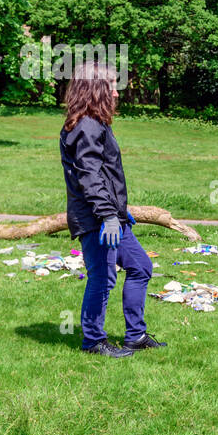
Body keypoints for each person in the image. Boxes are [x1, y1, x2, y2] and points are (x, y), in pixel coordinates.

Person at [59, 62, 163, 358]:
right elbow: (89, 175)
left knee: (140, 266)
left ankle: (136, 335)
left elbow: (104, 174)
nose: (117, 93)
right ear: (96, 89)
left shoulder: (95, 123)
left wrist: (119, 211)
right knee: (102, 277)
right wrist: (107, 215)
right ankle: (93, 341)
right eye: (112, 85)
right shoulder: (86, 126)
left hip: (112, 217)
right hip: (96, 219)